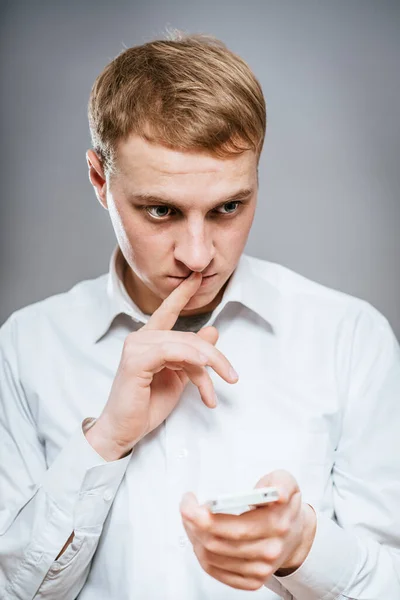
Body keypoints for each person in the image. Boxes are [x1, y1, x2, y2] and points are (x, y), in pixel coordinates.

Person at [0, 32, 399, 600]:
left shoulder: (350, 338)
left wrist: (303, 548)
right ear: (99, 180)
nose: (198, 254)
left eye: (228, 208)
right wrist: (107, 439)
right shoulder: (24, 348)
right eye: (160, 210)